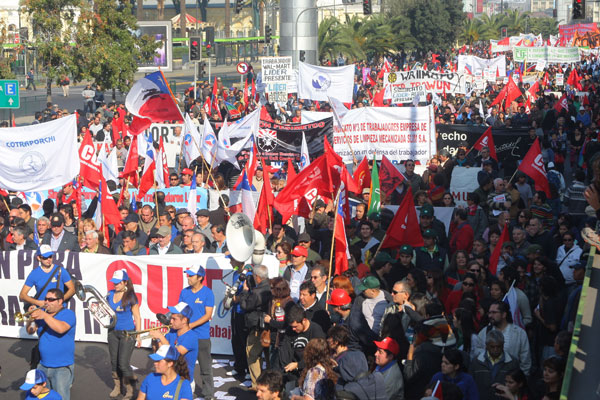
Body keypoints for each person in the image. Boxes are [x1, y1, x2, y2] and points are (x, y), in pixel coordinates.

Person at [26, 289, 76, 400]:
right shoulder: (43, 314)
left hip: (62, 368)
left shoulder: (68, 314)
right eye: (46, 299)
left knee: (60, 397)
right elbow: (30, 330)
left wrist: (44, 315)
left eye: (51, 299)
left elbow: (61, 329)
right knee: (42, 397)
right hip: (43, 365)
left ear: (60, 301)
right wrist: (31, 319)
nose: (47, 302)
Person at [179, 265, 214, 400]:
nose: (188, 277)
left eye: (191, 275)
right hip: (186, 335)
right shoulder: (184, 292)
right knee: (186, 366)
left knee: (205, 367)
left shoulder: (207, 293)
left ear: (200, 278)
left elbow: (207, 315)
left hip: (201, 335)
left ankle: (208, 394)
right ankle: (185, 393)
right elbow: (180, 311)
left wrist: (191, 325)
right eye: (188, 274)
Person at [107, 269, 141, 399]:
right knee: (114, 362)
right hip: (112, 331)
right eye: (114, 282)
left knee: (123, 363)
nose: (115, 285)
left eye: (118, 282)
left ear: (125, 282)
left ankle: (130, 389)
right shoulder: (110, 294)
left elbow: (137, 317)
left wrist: (138, 336)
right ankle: (117, 386)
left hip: (127, 333)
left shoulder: (131, 296)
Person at [238, 265, 272, 390]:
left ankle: (257, 384)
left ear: (257, 277)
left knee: (252, 354)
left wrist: (245, 291)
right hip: (268, 327)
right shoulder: (270, 288)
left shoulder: (257, 292)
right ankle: (270, 383)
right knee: (268, 357)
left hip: (257, 328)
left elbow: (245, 306)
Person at [473, 301, 531, 375]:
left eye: (494, 312)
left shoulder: (519, 333)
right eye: (489, 313)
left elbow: (525, 359)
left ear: (504, 314)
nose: (490, 315)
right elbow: (477, 353)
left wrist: (521, 378)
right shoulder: (484, 332)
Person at [150, 302, 198, 391]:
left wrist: (160, 336)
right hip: (168, 379)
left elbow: (175, 354)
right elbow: (158, 352)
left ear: (184, 320)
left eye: (174, 319)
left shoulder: (191, 337)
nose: (170, 321)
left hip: (183, 382)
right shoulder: (172, 332)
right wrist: (155, 339)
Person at [277, 305, 325, 386]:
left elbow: (319, 357)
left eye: (295, 326)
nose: (293, 329)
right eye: (292, 327)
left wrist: (298, 365)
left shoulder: (316, 331)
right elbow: (285, 349)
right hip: (292, 372)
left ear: (304, 320)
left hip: (311, 372)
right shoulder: (290, 330)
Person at [20, 245, 75, 310]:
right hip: (43, 310)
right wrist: (38, 302)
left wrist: (60, 300)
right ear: (39, 258)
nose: (49, 259)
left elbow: (72, 289)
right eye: (45, 257)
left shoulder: (61, 270)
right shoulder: (34, 273)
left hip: (59, 310)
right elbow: (22, 295)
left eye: (50, 256)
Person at [469, 330, 520, 400]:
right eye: (492, 347)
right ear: (486, 346)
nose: (496, 349)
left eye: (498, 347)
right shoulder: (476, 362)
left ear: (503, 345)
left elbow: (517, 386)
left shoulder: (512, 362)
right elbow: (471, 385)